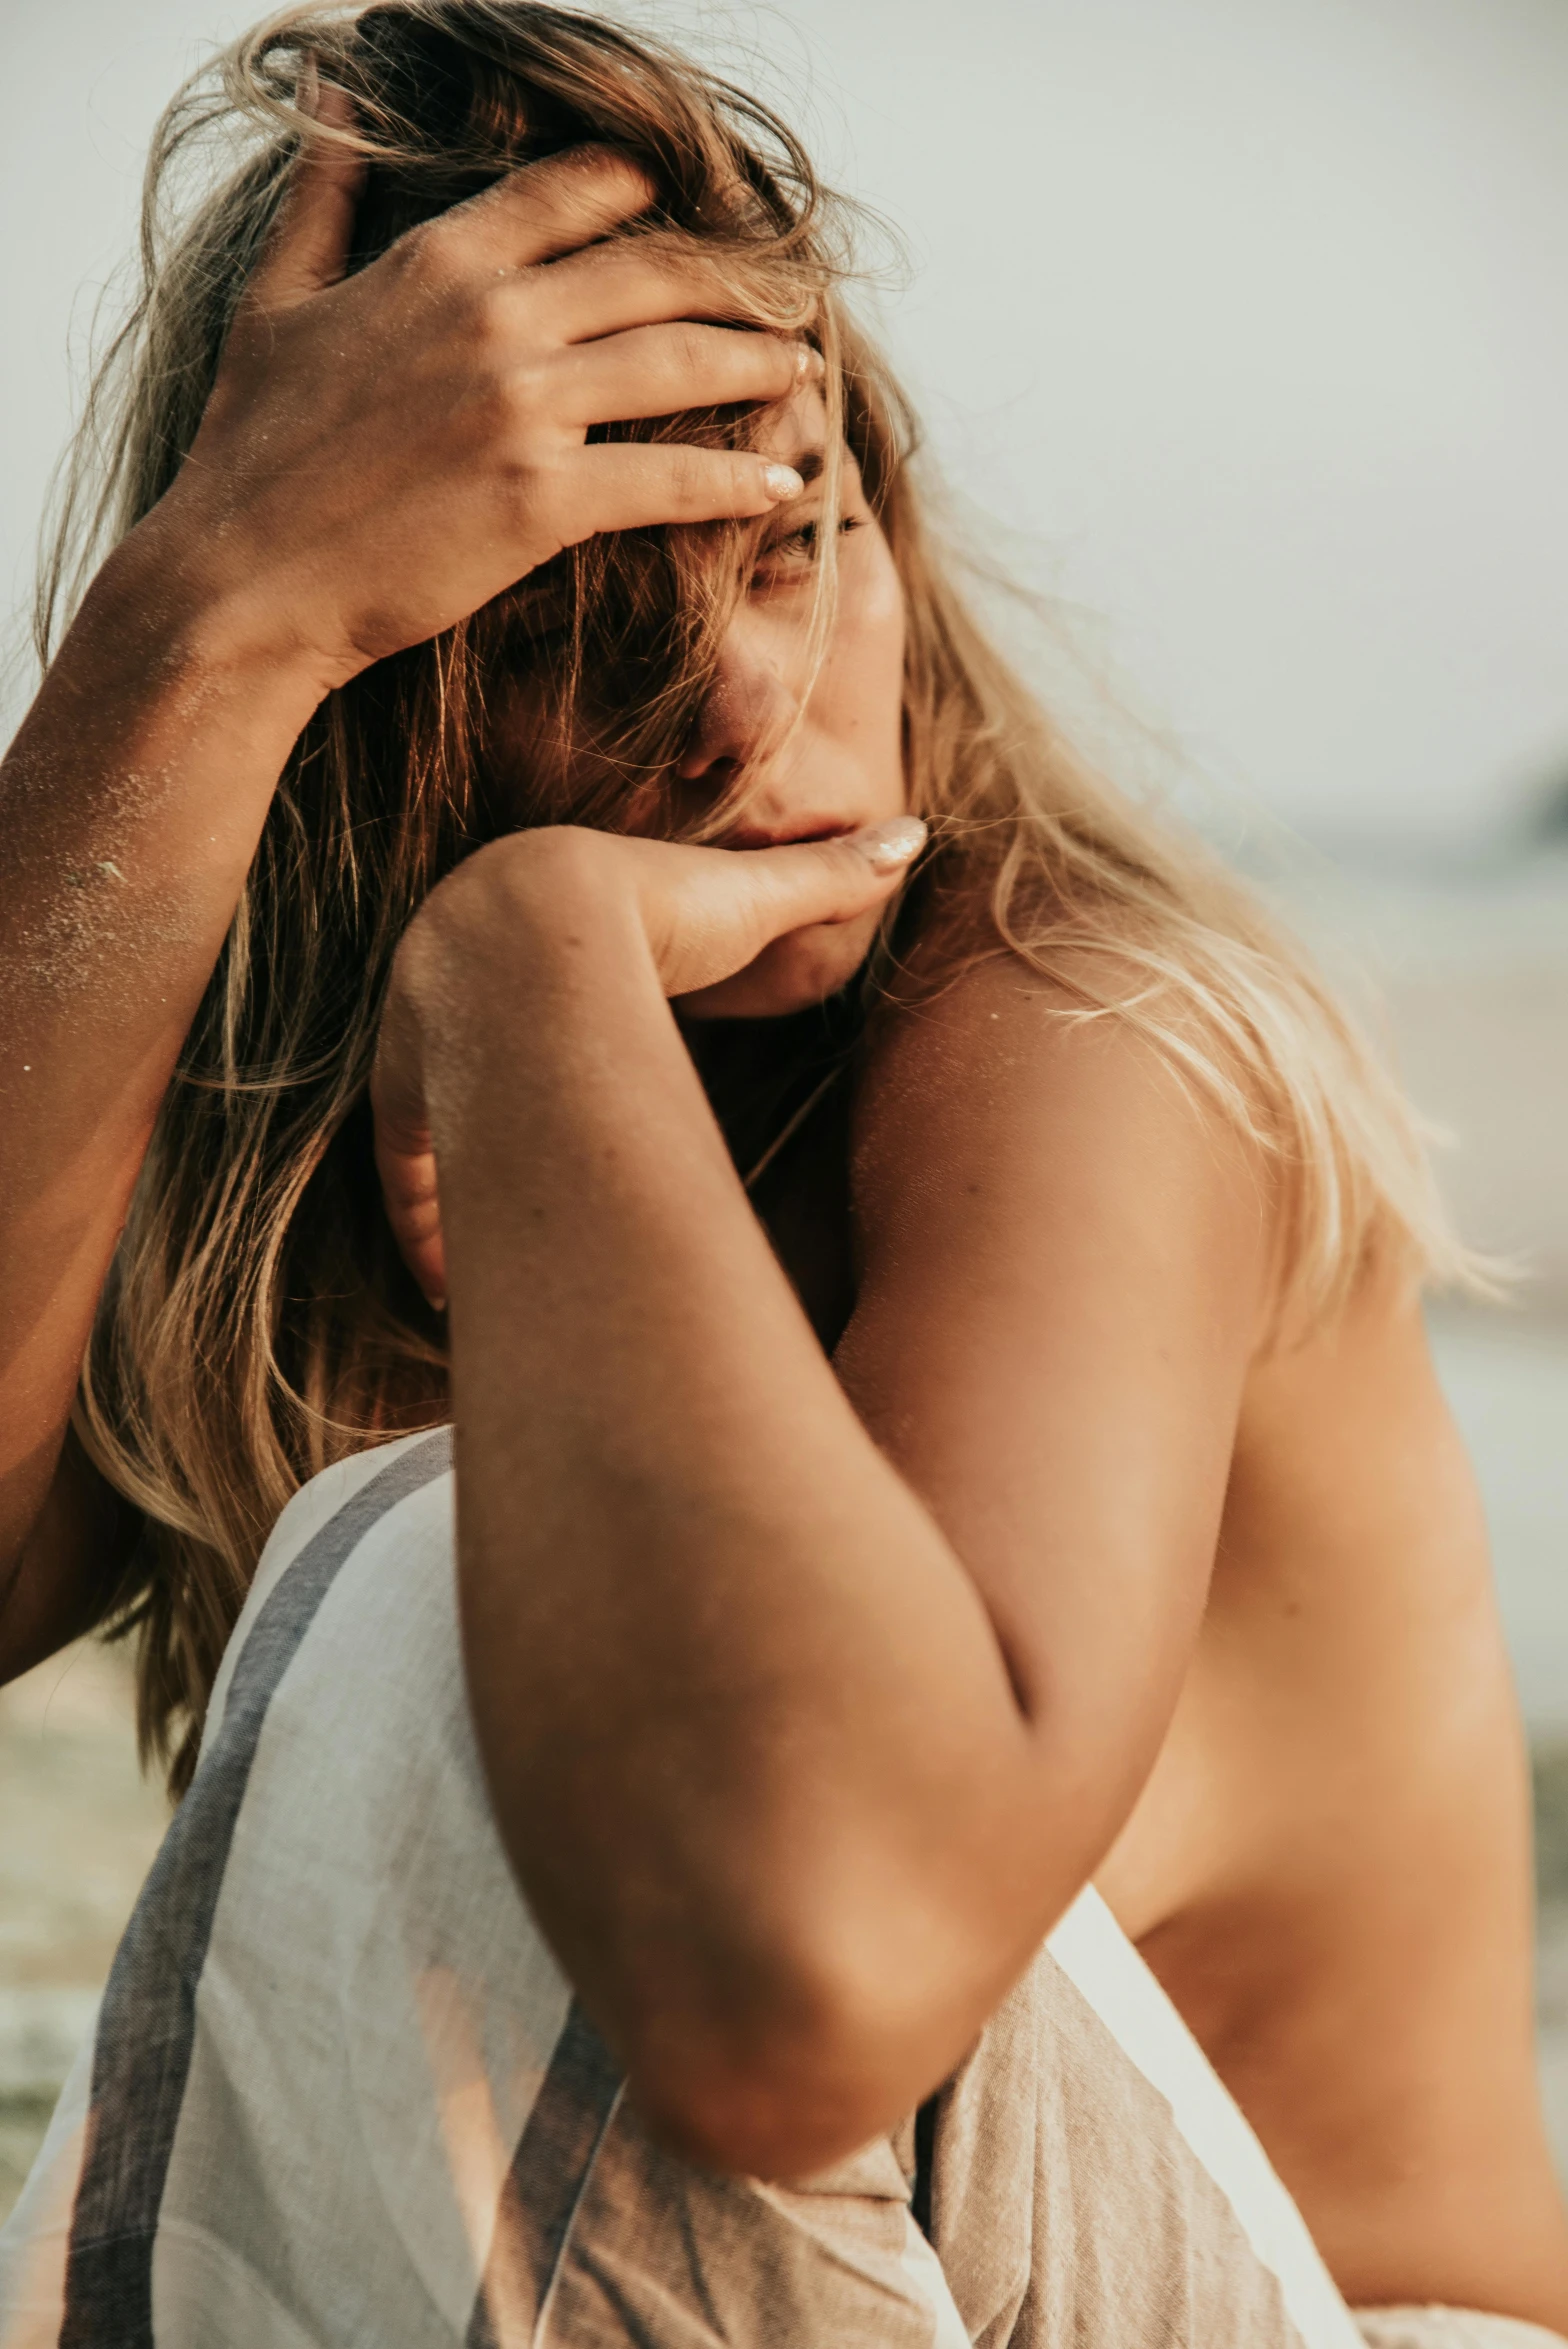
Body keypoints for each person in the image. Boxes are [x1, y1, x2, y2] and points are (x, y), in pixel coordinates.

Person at [0, 2, 1564, 2340]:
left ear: (891, 519)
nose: (746, 707)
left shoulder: (1077, 1028)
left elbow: (808, 1963)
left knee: (469, 1588)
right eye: (593, 625)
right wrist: (197, 623)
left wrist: (528, 967)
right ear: (360, 699)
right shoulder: (322, 1148)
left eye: (793, 543)